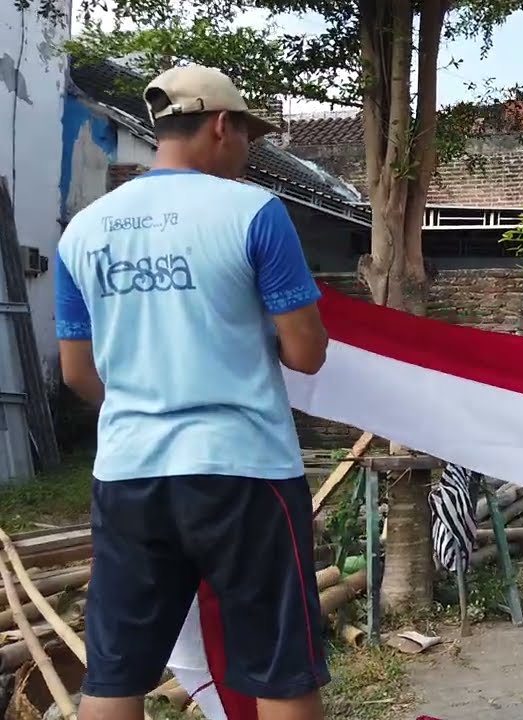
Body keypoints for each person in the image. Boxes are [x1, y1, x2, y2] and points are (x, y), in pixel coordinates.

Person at [53, 64, 331, 720]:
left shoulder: (84, 230)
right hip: (245, 470)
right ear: (220, 125)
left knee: (115, 673)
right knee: (279, 668)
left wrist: (143, 404)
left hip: (129, 472)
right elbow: (307, 353)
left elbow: (75, 372)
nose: (246, 152)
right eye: (246, 137)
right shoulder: (255, 213)